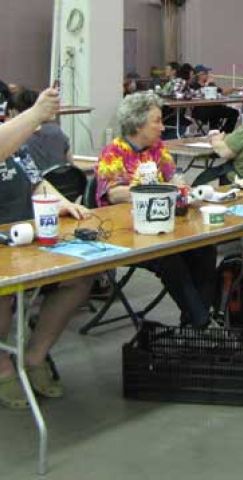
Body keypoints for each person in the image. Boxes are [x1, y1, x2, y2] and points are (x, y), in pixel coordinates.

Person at [0, 87, 93, 409]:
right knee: (3, 293)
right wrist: (36, 114)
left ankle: (34, 356)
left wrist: (63, 202)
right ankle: (2, 368)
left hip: (27, 236)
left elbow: (36, 179)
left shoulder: (16, 141)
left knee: (80, 278)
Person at [96, 92, 217, 329]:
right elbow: (112, 193)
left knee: (205, 249)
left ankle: (194, 318)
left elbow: (176, 179)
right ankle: (202, 321)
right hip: (127, 231)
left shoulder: (157, 149)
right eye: (157, 121)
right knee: (169, 257)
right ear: (138, 124)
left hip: (163, 224)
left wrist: (181, 188)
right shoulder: (114, 152)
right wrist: (151, 189)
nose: (163, 127)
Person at [6, 87, 73, 172]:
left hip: (35, 184)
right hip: (63, 183)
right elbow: (71, 166)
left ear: (13, 112)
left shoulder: (15, 141)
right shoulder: (57, 131)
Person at [190, 64, 239, 133]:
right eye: (206, 73)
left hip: (214, 107)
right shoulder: (193, 85)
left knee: (234, 112)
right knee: (215, 112)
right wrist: (207, 84)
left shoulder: (210, 84)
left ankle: (224, 132)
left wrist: (233, 89)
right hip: (201, 110)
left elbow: (222, 92)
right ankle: (216, 132)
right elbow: (197, 95)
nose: (208, 75)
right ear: (200, 75)